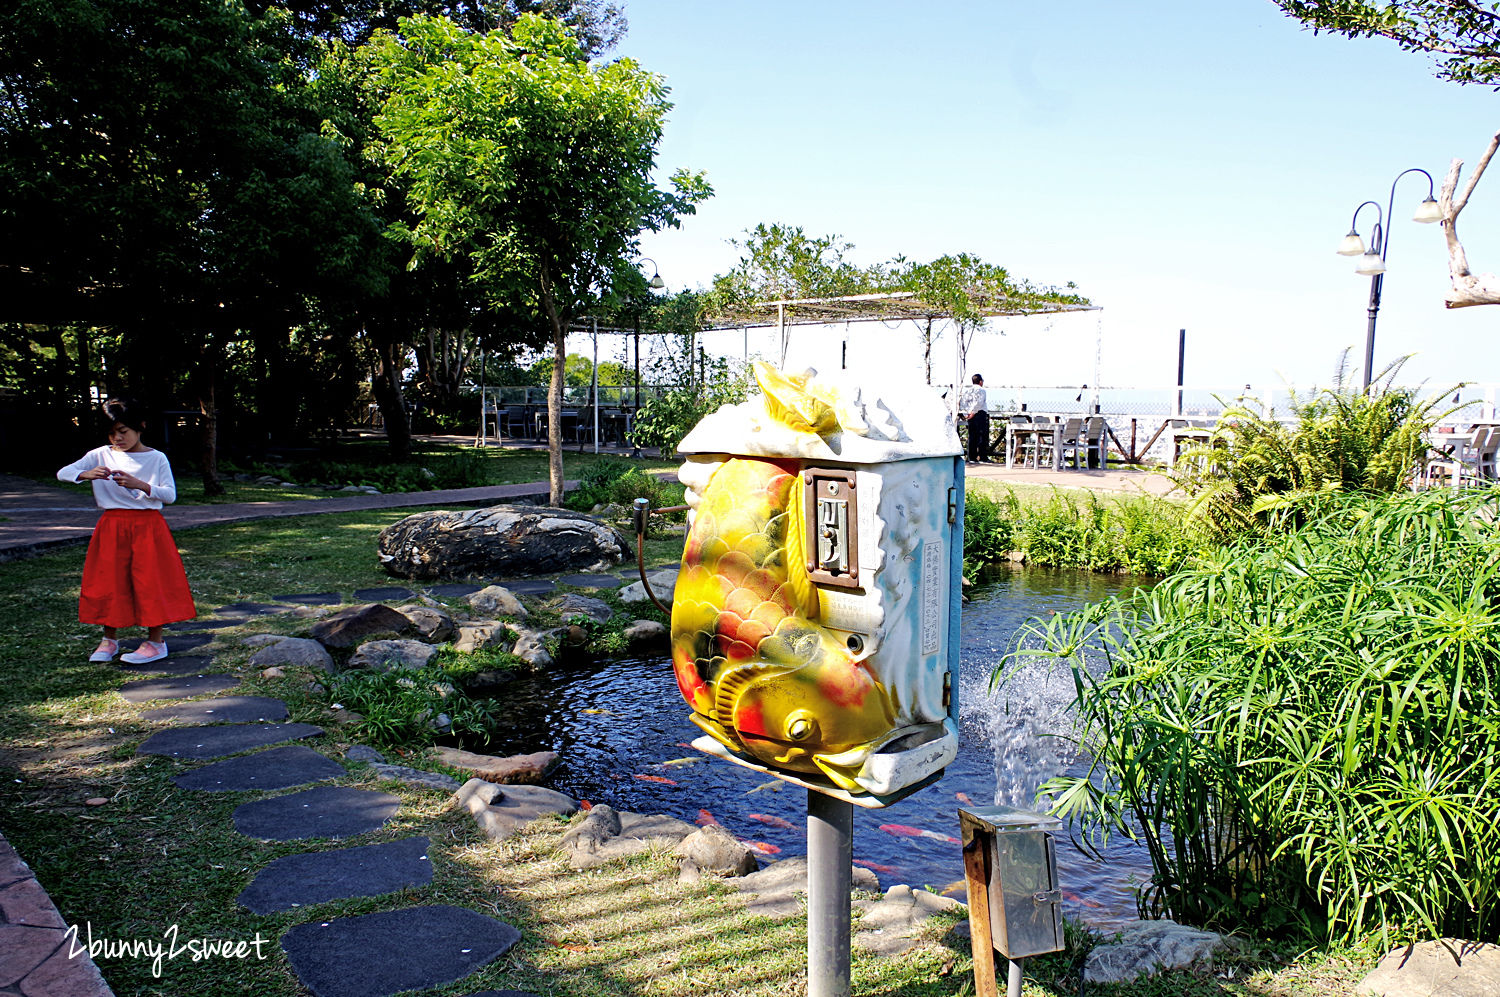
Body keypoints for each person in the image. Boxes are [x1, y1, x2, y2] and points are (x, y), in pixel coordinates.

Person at [57, 398, 196, 663]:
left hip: (147, 527)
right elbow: (64, 472)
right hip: (112, 525)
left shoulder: (156, 458)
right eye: (112, 433)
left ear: (141, 426)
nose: (118, 438)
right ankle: (109, 640)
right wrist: (86, 474)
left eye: (123, 431)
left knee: (150, 581)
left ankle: (155, 641)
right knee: (109, 580)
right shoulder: (100, 454)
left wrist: (139, 484)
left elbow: (169, 495)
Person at [959, 373, 991, 464]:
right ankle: (982, 457)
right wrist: (974, 412)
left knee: (972, 435)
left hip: (970, 414)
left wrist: (968, 412)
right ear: (980, 381)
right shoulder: (981, 390)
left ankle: (971, 457)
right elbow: (979, 402)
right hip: (980, 413)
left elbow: (963, 402)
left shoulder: (968, 391)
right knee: (982, 436)